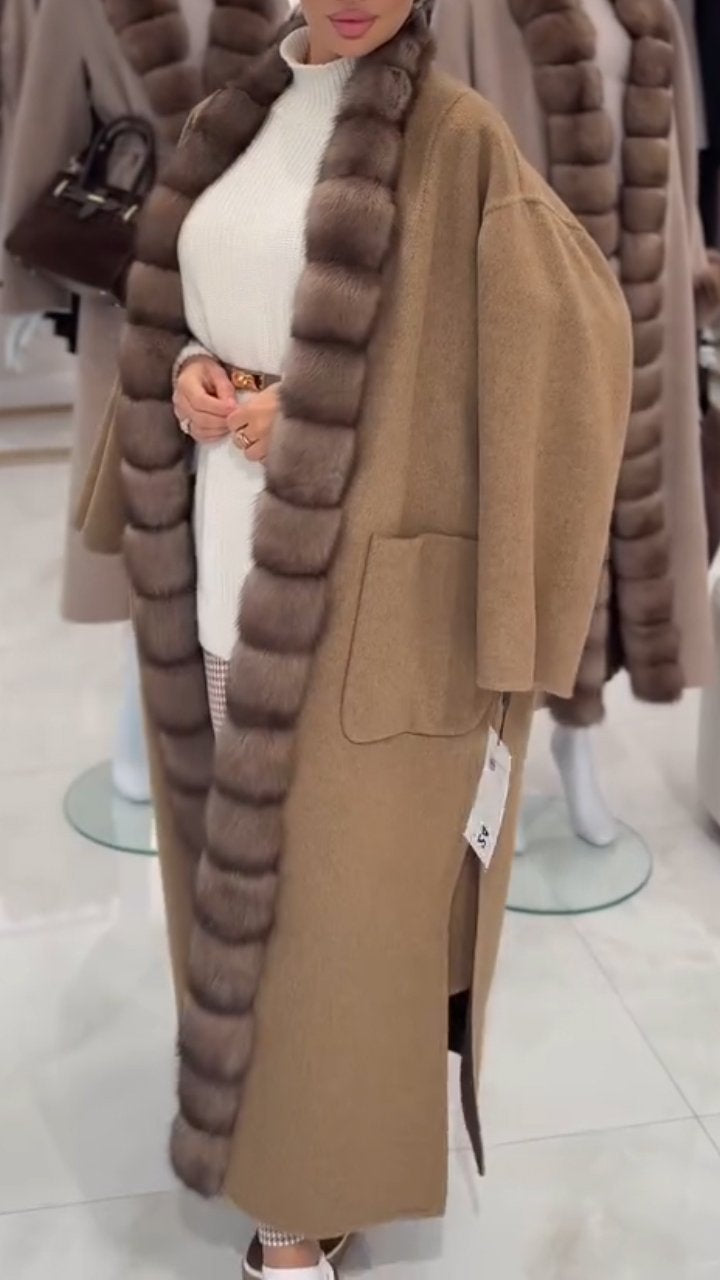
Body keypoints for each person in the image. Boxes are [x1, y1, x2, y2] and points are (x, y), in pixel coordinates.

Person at [87, 1, 631, 1275]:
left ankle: (292, 1224)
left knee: (328, 925)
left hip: (363, 618)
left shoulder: (458, 139)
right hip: (218, 580)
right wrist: (188, 373)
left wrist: (342, 411)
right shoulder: (228, 119)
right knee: (244, 907)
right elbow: (188, 306)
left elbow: (578, 340)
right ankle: (293, 1169)